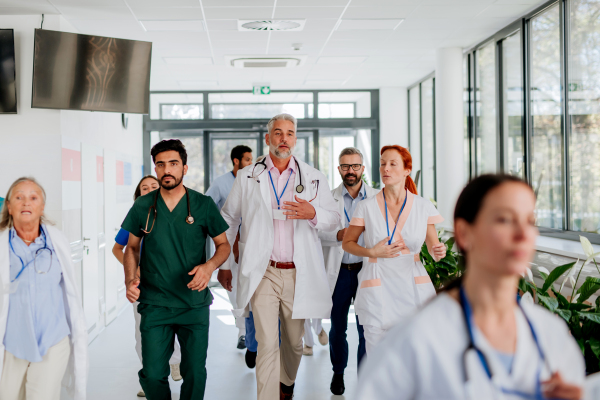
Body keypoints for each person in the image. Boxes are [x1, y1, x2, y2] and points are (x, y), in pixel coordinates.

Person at [355, 174, 586, 400]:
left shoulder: (551, 335)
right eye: (504, 219)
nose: (523, 234)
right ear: (464, 233)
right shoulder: (413, 342)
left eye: (530, 221)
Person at [219, 113, 340, 400]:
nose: (283, 138)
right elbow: (228, 219)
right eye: (277, 133)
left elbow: (334, 219)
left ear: (295, 139)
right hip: (265, 271)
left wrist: (313, 214)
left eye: (289, 133)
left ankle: (286, 383)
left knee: (294, 344)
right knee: (266, 342)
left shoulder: (313, 177)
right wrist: (225, 264)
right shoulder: (247, 175)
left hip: (299, 272)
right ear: (267, 138)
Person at [122, 139, 231, 400]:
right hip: (155, 302)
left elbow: (224, 246)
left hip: (193, 304)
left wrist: (209, 267)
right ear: (155, 169)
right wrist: (130, 279)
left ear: (185, 167)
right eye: (160, 165)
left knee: (194, 372)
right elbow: (131, 248)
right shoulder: (143, 205)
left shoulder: (202, 205)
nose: (166, 170)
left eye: (173, 163)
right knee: (151, 373)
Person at [342, 145, 446, 353]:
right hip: (378, 283)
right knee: (377, 354)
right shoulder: (366, 206)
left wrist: (438, 252)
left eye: (392, 164)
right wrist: (372, 252)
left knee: (415, 353)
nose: (385, 169)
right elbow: (347, 243)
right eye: (382, 164)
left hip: (412, 285)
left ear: (407, 170)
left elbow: (434, 249)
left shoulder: (422, 206)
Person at [0, 177, 87, 400]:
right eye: (19, 197)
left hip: (52, 340)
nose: (26, 203)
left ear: (42, 206)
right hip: (10, 344)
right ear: (9, 207)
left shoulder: (57, 242)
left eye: (33, 198)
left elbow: (70, 292)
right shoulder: (2, 244)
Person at [112, 175, 182, 398]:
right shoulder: (136, 215)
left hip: (173, 283)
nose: (150, 190)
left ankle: (175, 362)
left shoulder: (176, 212)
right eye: (145, 188)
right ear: (139, 194)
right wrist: (134, 271)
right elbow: (117, 248)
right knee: (143, 332)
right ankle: (150, 379)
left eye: (154, 186)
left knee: (176, 326)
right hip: (143, 285)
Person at [317, 147, 379, 395]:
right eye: (345, 166)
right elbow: (316, 231)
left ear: (363, 169)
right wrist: (338, 234)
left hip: (367, 271)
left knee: (367, 326)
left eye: (355, 166)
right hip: (340, 271)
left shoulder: (377, 198)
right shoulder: (327, 198)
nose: (350, 171)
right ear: (339, 169)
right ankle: (338, 372)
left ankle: (365, 376)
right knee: (338, 327)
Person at [208, 145, 253, 350]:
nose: (250, 164)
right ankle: (242, 332)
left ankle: (251, 331)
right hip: (229, 243)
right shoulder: (221, 184)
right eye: (247, 160)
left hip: (252, 241)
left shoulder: (254, 181)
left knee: (252, 287)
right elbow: (207, 207)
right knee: (233, 287)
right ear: (236, 161)